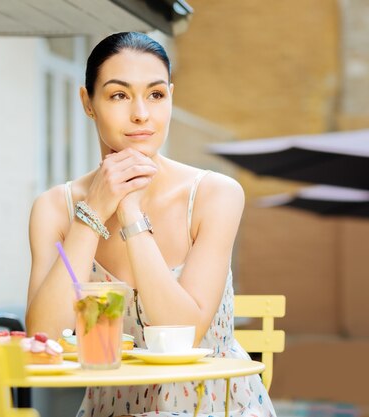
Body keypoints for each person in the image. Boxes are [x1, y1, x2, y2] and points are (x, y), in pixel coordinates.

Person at [26, 32, 275, 417]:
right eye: (119, 95)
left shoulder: (215, 194)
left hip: (212, 407)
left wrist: (129, 212)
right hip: (112, 409)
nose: (141, 113)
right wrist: (93, 211)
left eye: (156, 95)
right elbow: (43, 337)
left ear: (170, 97)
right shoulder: (55, 208)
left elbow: (184, 335)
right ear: (87, 103)